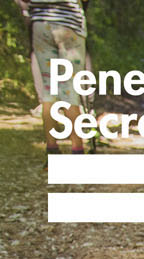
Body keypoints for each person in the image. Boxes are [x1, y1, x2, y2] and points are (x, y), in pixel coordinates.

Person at [20, 0, 89, 154]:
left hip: (40, 24)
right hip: (69, 24)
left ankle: (52, 150)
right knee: (70, 88)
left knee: (48, 88)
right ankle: (77, 150)